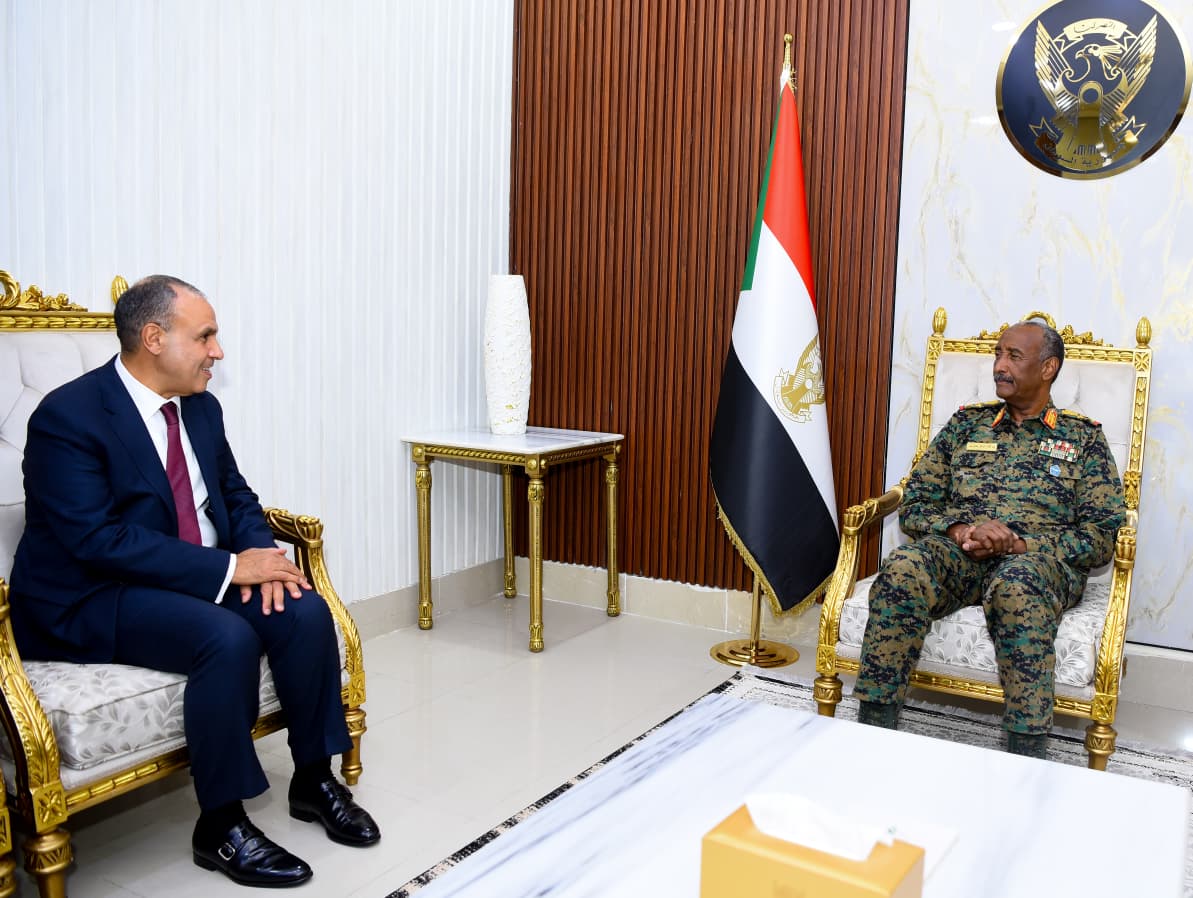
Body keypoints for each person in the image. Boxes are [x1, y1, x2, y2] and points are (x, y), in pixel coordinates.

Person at [9, 275, 380, 888]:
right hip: (90, 595)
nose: (217, 352)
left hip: (181, 576)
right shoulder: (68, 417)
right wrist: (232, 569)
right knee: (225, 637)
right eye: (205, 336)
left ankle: (314, 780)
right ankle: (222, 825)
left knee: (303, 609)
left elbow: (233, 493)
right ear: (154, 338)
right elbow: (96, 541)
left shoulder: (200, 406)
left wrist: (258, 552)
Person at [851, 319, 1124, 758]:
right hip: (963, 553)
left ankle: (1026, 753)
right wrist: (962, 530)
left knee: (1017, 587)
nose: (999, 365)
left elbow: (1100, 538)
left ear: (1048, 368)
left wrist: (1019, 545)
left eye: (1013, 356)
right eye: (998, 354)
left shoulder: (1083, 439)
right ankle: (873, 728)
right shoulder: (967, 425)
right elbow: (916, 503)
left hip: (1037, 564)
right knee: (904, 568)